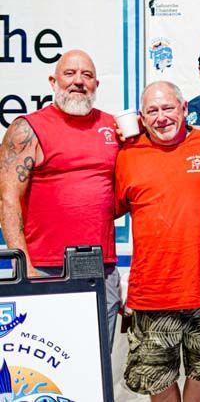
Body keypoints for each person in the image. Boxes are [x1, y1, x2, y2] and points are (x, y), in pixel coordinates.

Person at [0, 49, 121, 345]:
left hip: (101, 268)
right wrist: (24, 265)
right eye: (70, 74)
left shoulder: (113, 127)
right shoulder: (27, 128)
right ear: (53, 81)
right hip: (44, 268)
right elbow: (7, 199)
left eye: (87, 75)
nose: (78, 81)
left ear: (97, 85)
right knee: (53, 366)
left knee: (98, 369)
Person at [115, 81, 200, 402]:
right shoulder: (127, 154)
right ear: (142, 118)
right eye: (152, 111)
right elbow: (107, 208)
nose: (161, 117)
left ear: (185, 108)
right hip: (152, 294)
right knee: (158, 380)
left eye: (168, 108)